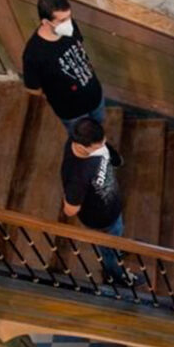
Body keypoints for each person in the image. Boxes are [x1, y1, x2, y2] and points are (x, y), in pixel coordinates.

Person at [22, 0, 105, 133]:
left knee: (99, 127)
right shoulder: (34, 55)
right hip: (73, 113)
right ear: (46, 22)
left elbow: (80, 46)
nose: (68, 23)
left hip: (95, 97)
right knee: (85, 139)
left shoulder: (70, 26)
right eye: (61, 21)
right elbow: (33, 89)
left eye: (69, 17)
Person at [61, 118, 127, 284]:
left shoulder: (87, 142)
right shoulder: (77, 174)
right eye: (99, 146)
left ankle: (116, 251)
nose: (103, 147)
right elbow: (70, 210)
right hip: (102, 220)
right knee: (108, 249)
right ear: (83, 147)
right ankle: (115, 275)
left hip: (112, 207)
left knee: (115, 240)